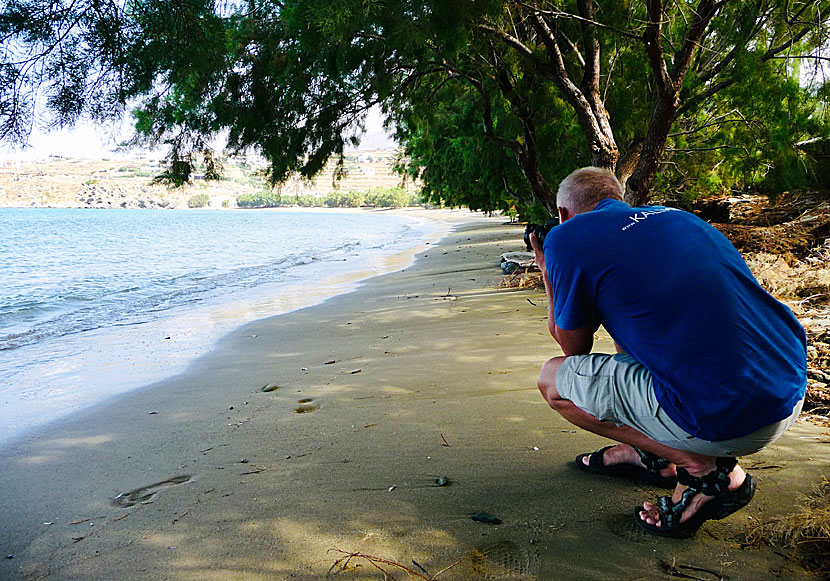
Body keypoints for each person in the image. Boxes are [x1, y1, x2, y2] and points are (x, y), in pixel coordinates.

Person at [530, 167, 807, 538]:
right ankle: (655, 456)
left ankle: (702, 471)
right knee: (638, 341)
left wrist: (548, 271)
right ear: (619, 199)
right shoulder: (678, 217)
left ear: (562, 215)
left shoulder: (566, 238)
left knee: (552, 380)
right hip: (789, 392)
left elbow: (572, 348)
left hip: (732, 419)